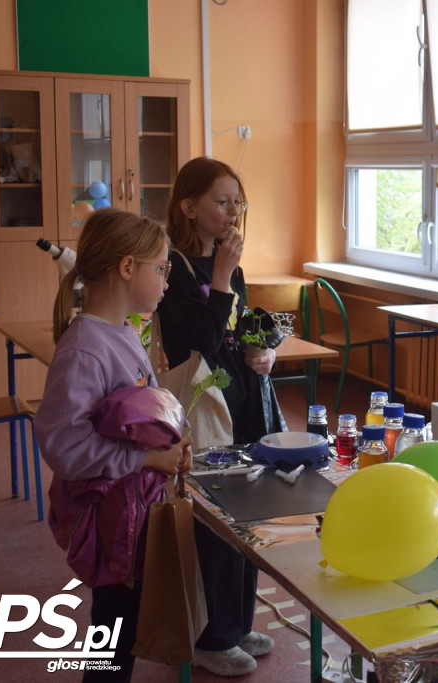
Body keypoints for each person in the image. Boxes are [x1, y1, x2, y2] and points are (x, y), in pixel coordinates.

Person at [35, 208, 193, 682]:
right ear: (127, 268)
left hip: (134, 507)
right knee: (113, 632)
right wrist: (145, 456)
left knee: (122, 624)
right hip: (111, 518)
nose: (166, 281)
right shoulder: (85, 347)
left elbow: (139, 407)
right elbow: (64, 447)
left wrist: (170, 440)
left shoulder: (123, 331)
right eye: (161, 269)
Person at [156, 156, 281, 676]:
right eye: (222, 201)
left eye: (238, 201)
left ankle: (236, 620)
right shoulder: (176, 269)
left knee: (246, 515)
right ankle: (210, 635)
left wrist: (264, 349)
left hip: (243, 399)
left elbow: (242, 326)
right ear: (189, 207)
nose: (233, 212)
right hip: (207, 408)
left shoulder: (232, 264)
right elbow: (199, 344)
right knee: (213, 517)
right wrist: (223, 275)